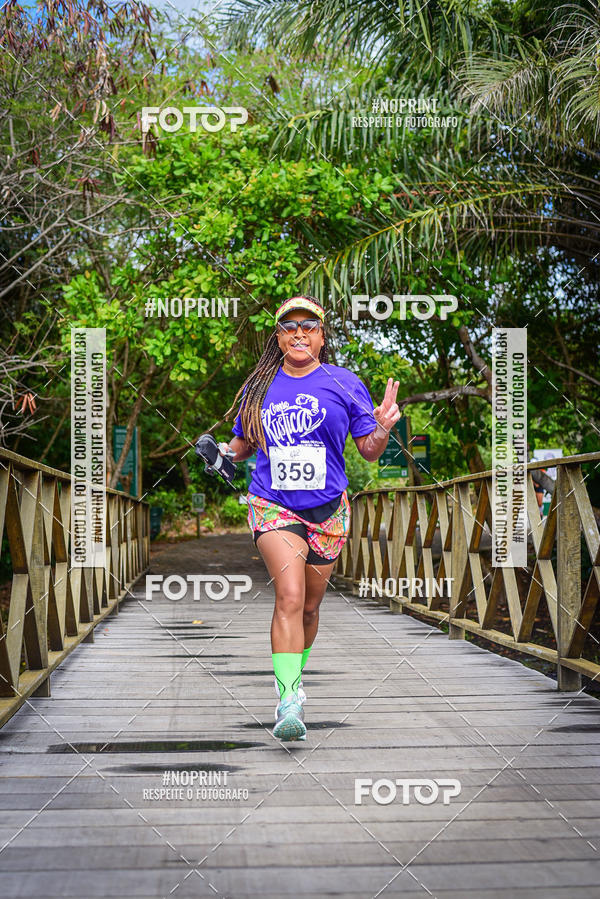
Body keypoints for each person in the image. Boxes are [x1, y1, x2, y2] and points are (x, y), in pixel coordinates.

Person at [218, 296, 400, 741]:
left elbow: (369, 450)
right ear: (278, 336)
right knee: (291, 596)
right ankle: (288, 697)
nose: (298, 333)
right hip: (273, 505)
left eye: (308, 325)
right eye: (288, 326)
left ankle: (293, 679)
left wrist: (383, 427)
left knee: (312, 606)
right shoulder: (258, 386)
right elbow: (244, 443)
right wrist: (224, 453)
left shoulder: (344, 384)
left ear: (321, 335)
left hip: (328, 512)